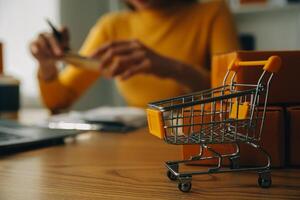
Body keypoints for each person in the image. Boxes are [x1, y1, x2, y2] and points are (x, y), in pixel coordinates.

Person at [30, 0, 239, 113]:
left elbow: (236, 94)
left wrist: (171, 68)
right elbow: (58, 102)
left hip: (197, 137)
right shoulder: (111, 26)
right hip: (136, 144)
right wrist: (47, 66)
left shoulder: (213, 11)